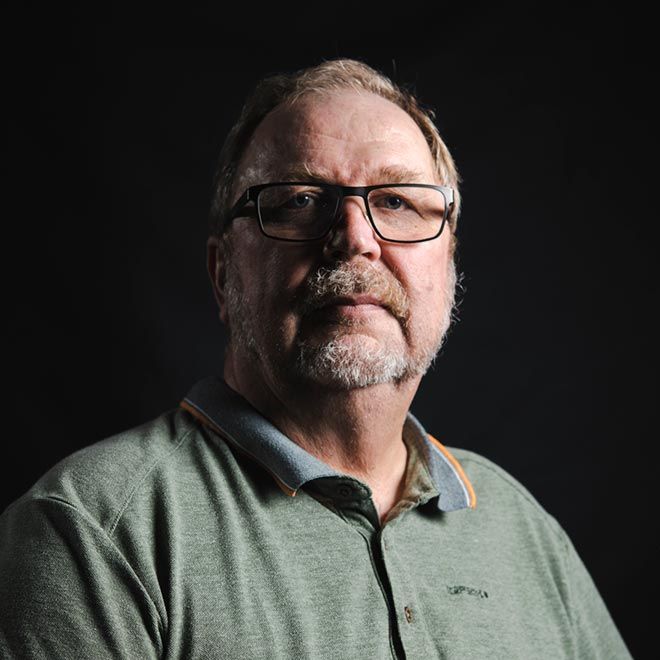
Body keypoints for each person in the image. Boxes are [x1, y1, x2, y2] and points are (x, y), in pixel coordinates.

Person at [0, 59, 631, 659]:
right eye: (301, 200)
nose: (356, 237)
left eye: (397, 201)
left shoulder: (522, 529)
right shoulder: (93, 534)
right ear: (224, 275)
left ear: (447, 266)